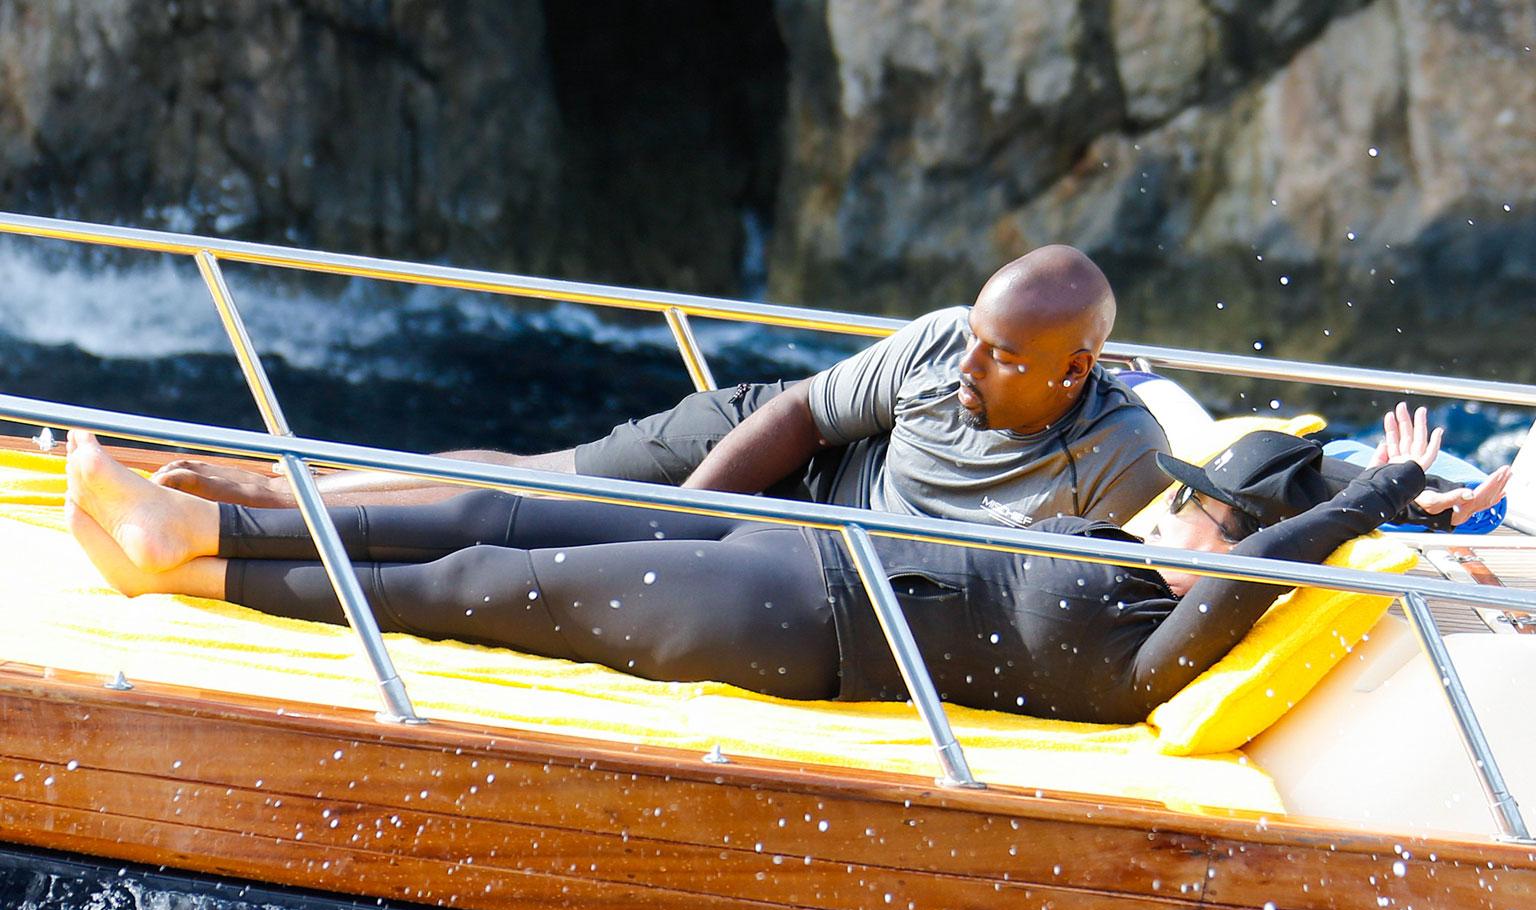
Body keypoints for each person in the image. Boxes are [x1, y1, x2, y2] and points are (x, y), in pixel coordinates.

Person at [62, 404, 1464, 725]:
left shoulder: (1164, 639)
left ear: (1244, 551)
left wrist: (1376, 497)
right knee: (495, 517)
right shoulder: (1145, 559)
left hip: (801, 626)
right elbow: (1273, 525)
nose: (1179, 512)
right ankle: (212, 524)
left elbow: (1259, 569)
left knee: (478, 598)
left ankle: (185, 555)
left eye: (1203, 511)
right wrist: (1389, 482)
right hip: (798, 545)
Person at [151, 245, 1175, 530]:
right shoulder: (942, 343)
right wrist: (680, 523)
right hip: (752, 446)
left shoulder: (1120, 455)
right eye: (977, 336)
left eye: (1000, 354)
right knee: (542, 484)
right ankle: (273, 494)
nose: (968, 363)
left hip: (804, 541)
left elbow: (1189, 546)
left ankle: (289, 482)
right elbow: (799, 414)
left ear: (1076, 369)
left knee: (533, 489)